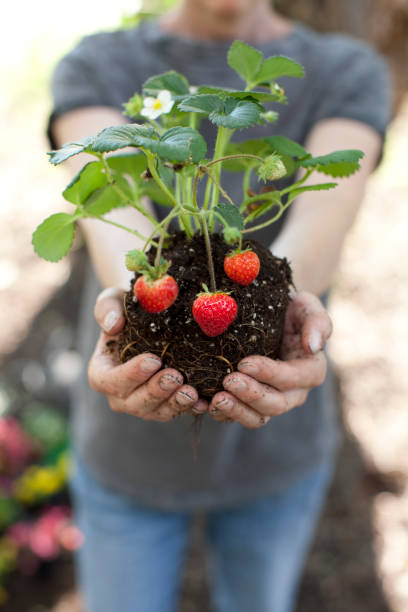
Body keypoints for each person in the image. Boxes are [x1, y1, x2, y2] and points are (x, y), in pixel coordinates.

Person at [47, 1, 391, 610]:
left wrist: (280, 308)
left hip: (279, 453)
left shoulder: (346, 70)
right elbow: (111, 211)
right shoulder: (99, 65)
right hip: (127, 455)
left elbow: (321, 216)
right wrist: (136, 303)